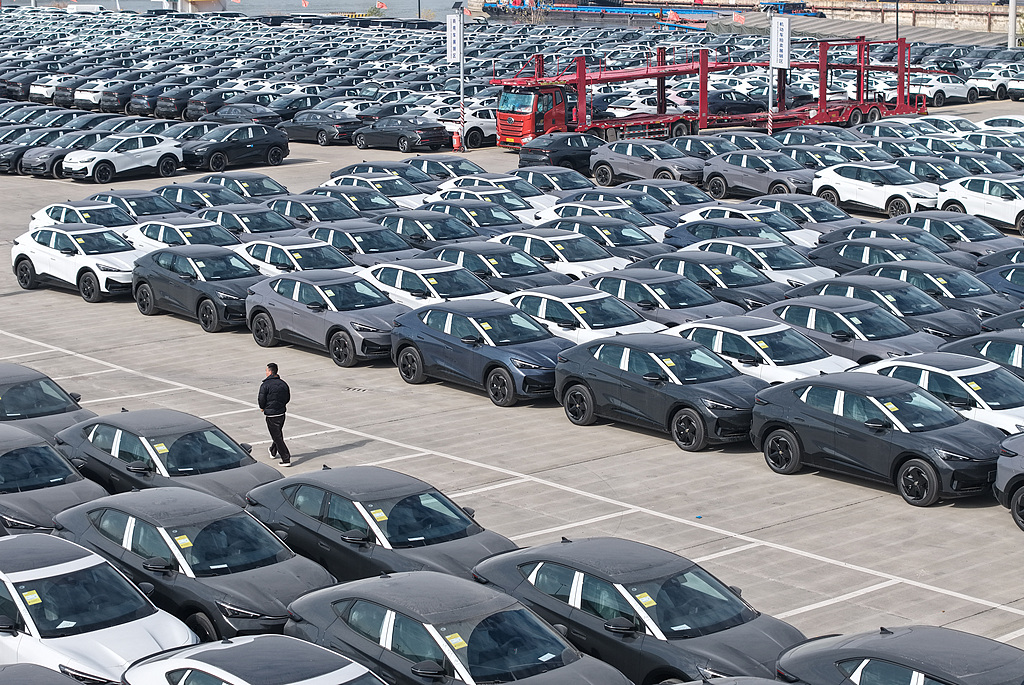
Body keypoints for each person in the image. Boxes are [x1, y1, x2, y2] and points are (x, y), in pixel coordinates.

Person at [258, 363, 291, 467]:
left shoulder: (265, 385)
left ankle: (286, 459)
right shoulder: (283, 384)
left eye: (266, 370)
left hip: (272, 415)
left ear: (270, 371)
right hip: (281, 413)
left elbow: (261, 398)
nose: (266, 372)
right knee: (277, 434)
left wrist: (262, 407)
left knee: (277, 437)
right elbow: (287, 398)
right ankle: (273, 450)